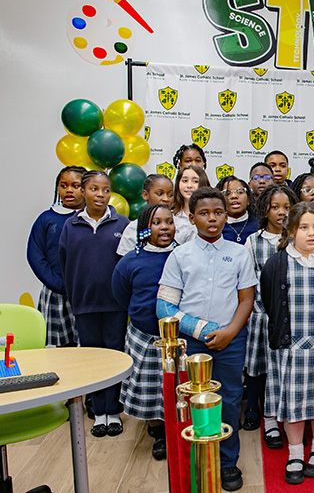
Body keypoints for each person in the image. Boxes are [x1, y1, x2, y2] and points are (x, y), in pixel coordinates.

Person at [157, 187, 257, 491]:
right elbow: (164, 306)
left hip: (230, 340)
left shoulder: (239, 253)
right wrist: (200, 329)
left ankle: (227, 463)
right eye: (204, 213)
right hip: (191, 342)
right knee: (189, 402)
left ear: (226, 216)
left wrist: (229, 332)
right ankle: (193, 458)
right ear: (191, 217)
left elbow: (246, 300)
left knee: (228, 399)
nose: (212, 219)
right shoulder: (180, 254)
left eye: (218, 213)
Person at [261, 203, 314, 485]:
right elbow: (269, 299)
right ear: (290, 230)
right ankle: (295, 452)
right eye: (304, 227)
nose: (311, 233)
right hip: (291, 347)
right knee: (293, 404)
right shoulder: (278, 263)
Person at [59, 170, 130, 437]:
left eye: (106, 190)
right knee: (93, 358)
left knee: (114, 355)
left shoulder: (122, 223)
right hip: (84, 304)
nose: (100, 195)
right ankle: (98, 411)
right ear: (82, 191)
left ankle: (113, 410)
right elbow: (65, 262)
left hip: (114, 304)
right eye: (94, 189)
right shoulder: (71, 225)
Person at [111, 204, 176, 460]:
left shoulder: (183, 256)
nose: (164, 227)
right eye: (157, 222)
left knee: (175, 387)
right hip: (145, 336)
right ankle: (158, 432)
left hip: (179, 337)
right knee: (151, 390)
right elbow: (120, 294)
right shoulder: (131, 261)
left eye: (169, 222)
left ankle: (177, 428)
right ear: (144, 228)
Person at [244, 185, 298, 445]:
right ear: (264, 209)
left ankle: (286, 415)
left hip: (292, 317)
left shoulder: (296, 240)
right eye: (275, 207)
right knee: (261, 368)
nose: (281, 213)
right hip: (262, 315)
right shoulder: (254, 241)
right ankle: (263, 415)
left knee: (284, 370)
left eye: (287, 207)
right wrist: (264, 311)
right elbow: (249, 279)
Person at [27, 165, 86, 347]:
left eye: (75, 186)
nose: (69, 190)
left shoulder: (90, 220)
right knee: (57, 346)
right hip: (54, 293)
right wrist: (58, 285)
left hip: (85, 293)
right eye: (63, 185)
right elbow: (35, 256)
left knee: (84, 344)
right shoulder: (46, 219)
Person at [117, 174, 191, 255]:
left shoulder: (184, 227)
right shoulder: (134, 228)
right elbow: (125, 261)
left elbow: (190, 259)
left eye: (170, 195)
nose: (166, 199)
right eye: (159, 194)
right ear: (145, 195)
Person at [171, 165, 210, 244]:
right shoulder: (171, 216)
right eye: (184, 181)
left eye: (195, 181)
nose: (189, 186)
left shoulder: (211, 215)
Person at [217, 176, 258, 244]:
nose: (234, 196)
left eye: (240, 192)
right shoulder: (217, 227)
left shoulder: (260, 225)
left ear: (248, 199)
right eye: (227, 193)